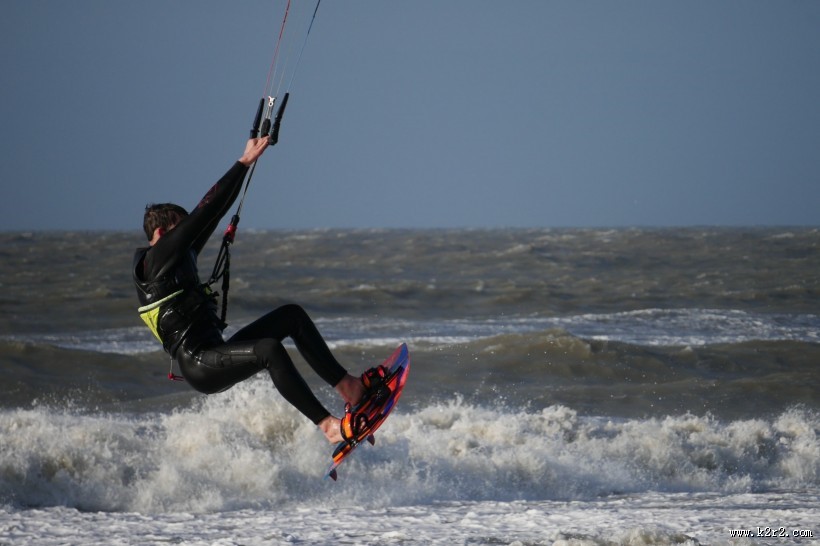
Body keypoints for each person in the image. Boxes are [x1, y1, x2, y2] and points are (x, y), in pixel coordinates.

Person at [132, 137, 371, 444]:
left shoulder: (174, 262)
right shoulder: (154, 260)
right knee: (269, 349)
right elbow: (207, 210)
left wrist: (246, 170)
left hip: (215, 351)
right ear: (163, 234)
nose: (189, 234)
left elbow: (213, 214)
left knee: (291, 316)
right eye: (182, 228)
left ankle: (349, 387)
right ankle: (327, 426)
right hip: (200, 364)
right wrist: (243, 162)